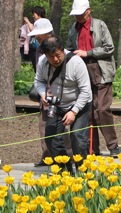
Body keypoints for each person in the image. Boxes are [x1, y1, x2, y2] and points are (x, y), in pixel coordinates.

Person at [66, 0, 119, 156]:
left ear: (88, 11)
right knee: (88, 113)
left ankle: (113, 146)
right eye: (76, 14)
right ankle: (92, 149)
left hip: (101, 70)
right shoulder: (72, 29)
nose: (78, 16)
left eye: (80, 13)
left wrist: (87, 53)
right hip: (81, 72)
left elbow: (109, 47)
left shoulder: (100, 25)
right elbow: (69, 49)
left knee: (101, 110)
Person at [34, 35, 92, 173]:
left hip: (80, 103)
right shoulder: (42, 62)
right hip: (57, 105)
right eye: (51, 56)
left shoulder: (76, 63)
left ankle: (84, 173)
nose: (55, 59)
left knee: (78, 138)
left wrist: (74, 111)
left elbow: (86, 91)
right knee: (51, 138)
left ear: (62, 50)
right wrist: (43, 94)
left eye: (58, 55)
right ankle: (65, 172)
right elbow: (38, 81)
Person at [28, 18, 73, 167]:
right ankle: (47, 155)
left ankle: (68, 155)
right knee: (44, 125)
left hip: (59, 93)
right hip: (45, 93)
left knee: (61, 127)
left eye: (39, 35)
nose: (37, 38)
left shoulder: (58, 49)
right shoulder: (39, 49)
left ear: (48, 33)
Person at [24, 6, 46, 72]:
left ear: (38, 14)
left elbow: (33, 31)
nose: (33, 16)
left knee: (39, 68)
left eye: (34, 14)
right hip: (35, 49)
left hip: (41, 49)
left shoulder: (42, 22)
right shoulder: (36, 22)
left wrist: (27, 22)